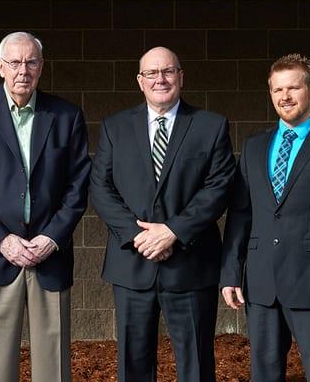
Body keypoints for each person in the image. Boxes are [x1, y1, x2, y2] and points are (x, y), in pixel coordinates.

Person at [0, 31, 91, 382]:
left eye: (30, 62)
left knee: (54, 369)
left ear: (41, 67)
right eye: (14, 62)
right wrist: (3, 240)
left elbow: (78, 186)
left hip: (50, 255)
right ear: (0, 66)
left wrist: (52, 237)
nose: (22, 70)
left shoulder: (66, 115)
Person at [220, 53, 310, 382]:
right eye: (277, 90)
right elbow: (241, 215)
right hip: (261, 286)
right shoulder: (255, 146)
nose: (285, 96)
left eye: (293, 88)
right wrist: (231, 272)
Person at [90, 46, 235, 382]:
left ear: (181, 77)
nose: (160, 79)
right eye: (151, 73)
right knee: (133, 363)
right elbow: (100, 187)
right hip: (132, 263)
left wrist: (172, 231)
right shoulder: (115, 127)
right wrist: (140, 235)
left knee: (195, 364)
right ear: (140, 81)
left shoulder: (210, 126)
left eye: (168, 71)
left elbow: (219, 188)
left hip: (190, 262)